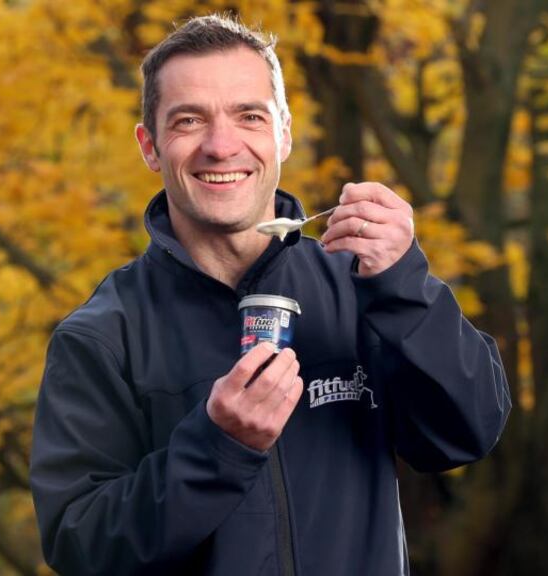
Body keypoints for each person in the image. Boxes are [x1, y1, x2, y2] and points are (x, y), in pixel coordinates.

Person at [29, 14, 511, 576]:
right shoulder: (103, 334)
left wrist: (404, 284)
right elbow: (78, 545)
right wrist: (218, 448)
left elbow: (466, 433)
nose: (221, 145)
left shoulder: (362, 286)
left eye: (248, 116)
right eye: (188, 121)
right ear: (150, 146)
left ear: (283, 130)